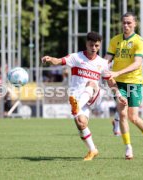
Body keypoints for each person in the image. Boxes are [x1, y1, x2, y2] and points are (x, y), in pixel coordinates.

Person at [41, 31, 127, 161]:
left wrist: (119, 95)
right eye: (91, 45)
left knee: (91, 83)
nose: (94, 48)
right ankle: (93, 150)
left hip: (94, 94)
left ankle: (77, 106)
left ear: (100, 45)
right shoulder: (77, 57)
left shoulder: (103, 63)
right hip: (77, 96)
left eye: (97, 46)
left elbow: (110, 80)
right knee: (81, 124)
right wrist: (50, 59)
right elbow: (59, 60)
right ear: (86, 43)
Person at [104, 12, 143, 159]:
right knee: (122, 114)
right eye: (124, 23)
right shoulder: (115, 40)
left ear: (135, 24)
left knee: (133, 117)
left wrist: (117, 71)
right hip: (118, 82)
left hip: (134, 81)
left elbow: (137, 63)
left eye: (129, 23)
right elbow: (106, 59)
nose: (126, 25)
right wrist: (99, 67)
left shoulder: (139, 41)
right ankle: (128, 148)